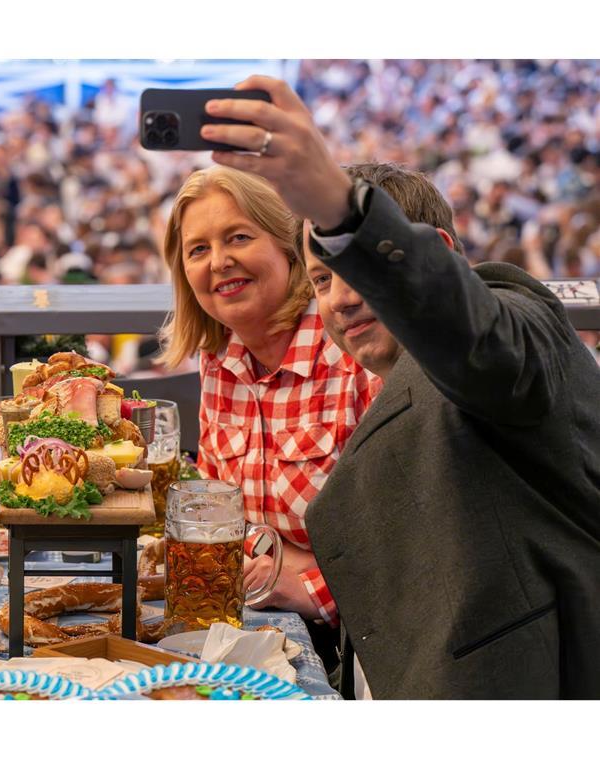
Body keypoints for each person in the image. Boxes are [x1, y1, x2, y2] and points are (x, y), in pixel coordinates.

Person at [204, 75, 600, 698]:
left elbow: (473, 338)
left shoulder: (514, 331)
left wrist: (340, 208)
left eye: (356, 269)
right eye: (323, 280)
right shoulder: (388, 386)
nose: (342, 298)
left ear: (435, 254)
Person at [158, 164, 381, 643]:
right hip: (264, 618)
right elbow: (220, 519)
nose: (218, 261)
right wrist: (283, 558)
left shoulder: (353, 348)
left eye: (238, 238)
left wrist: (311, 584)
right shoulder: (219, 357)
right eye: (199, 249)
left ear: (287, 246)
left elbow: (404, 545)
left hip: (360, 636)